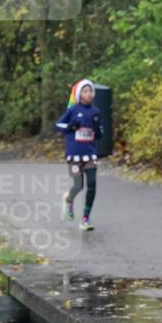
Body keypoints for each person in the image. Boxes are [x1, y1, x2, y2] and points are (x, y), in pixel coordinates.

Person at [55, 79, 103, 230]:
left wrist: (96, 128)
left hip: (90, 154)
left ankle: (85, 218)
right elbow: (57, 125)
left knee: (92, 184)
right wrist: (70, 127)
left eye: (90, 91)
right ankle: (69, 200)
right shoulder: (73, 110)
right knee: (78, 185)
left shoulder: (96, 111)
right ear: (79, 94)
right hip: (74, 156)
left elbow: (100, 135)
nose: (89, 94)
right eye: (85, 91)